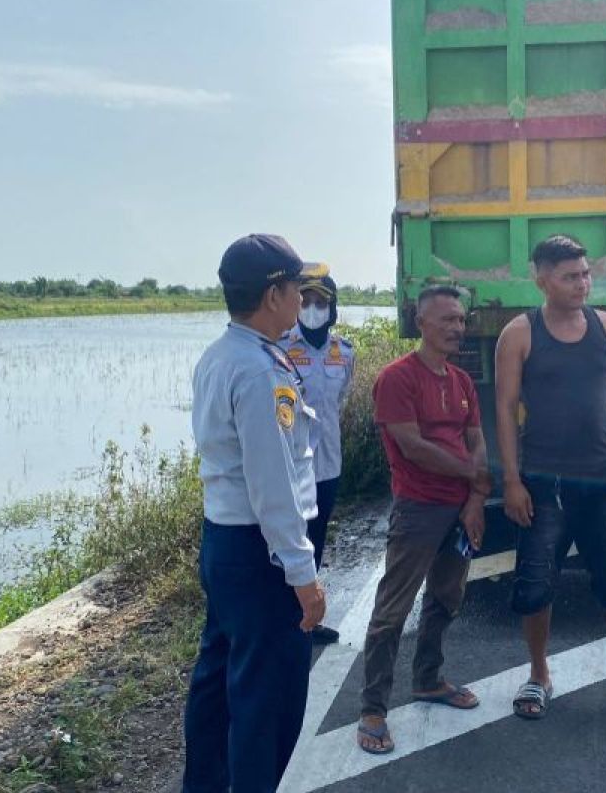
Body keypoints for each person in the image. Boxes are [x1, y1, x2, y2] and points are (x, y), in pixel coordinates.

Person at [494, 233, 606, 734]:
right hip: (543, 483)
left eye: (586, 273)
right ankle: (539, 674)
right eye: (571, 276)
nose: (583, 284)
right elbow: (505, 409)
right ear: (541, 278)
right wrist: (511, 480)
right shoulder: (520, 333)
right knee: (534, 584)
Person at [182, 233, 329, 793]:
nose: (302, 301)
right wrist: (303, 576)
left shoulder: (221, 356)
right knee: (266, 696)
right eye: (297, 289)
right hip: (260, 553)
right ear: (273, 294)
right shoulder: (261, 371)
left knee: (219, 682)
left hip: (223, 542)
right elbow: (273, 487)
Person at [356, 285, 489, 755]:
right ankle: (373, 709)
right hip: (418, 507)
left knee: (446, 598)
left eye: (461, 320)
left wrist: (475, 498)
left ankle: (428, 679)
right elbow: (412, 446)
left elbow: (476, 439)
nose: (458, 328)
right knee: (392, 611)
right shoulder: (397, 378)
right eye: (447, 320)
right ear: (421, 324)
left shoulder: (461, 381)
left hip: (459, 508)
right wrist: (474, 473)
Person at [282, 274, 355, 644]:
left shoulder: (345, 352)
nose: (313, 310)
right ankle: (284, 618)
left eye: (321, 303)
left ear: (333, 309)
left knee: (317, 538)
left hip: (328, 466)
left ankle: (306, 620)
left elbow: (337, 402)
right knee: (286, 543)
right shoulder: (279, 349)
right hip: (291, 467)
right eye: (306, 301)